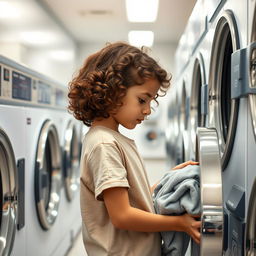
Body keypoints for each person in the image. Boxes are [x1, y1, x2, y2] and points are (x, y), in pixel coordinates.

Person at [68, 42, 201, 256]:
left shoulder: (112, 140)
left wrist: (169, 179)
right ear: (113, 91)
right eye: (142, 100)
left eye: (151, 101)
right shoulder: (104, 144)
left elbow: (128, 200)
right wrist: (179, 223)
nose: (148, 110)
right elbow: (122, 216)